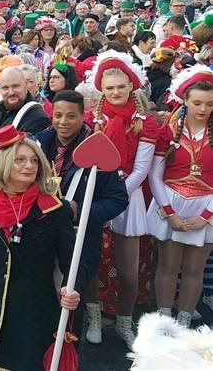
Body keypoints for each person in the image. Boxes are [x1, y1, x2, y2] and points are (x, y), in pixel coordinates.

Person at [0, 126, 80, 369]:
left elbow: (72, 262)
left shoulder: (53, 210)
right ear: (3, 163)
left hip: (31, 311)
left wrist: (71, 290)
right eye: (20, 160)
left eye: (33, 161)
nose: (29, 166)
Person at [37, 90, 129, 345]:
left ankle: (66, 350)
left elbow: (119, 199)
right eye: (57, 115)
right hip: (41, 234)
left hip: (78, 237)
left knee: (68, 297)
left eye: (70, 116)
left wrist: (82, 210)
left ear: (82, 116)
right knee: (40, 296)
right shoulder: (40, 143)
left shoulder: (97, 149)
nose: (63, 122)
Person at [87, 50, 156, 346]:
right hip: (96, 195)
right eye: (109, 87)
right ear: (102, 89)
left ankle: (125, 322)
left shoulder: (145, 122)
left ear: (131, 86)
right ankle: (94, 316)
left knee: (129, 273)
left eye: (120, 86)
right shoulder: (93, 119)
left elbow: (141, 169)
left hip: (128, 197)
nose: (115, 92)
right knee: (91, 262)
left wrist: (116, 198)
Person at [148, 66, 213, 327]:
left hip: (207, 207)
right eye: (197, 102)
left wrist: (206, 217)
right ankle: (164, 322)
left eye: (209, 104)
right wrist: (169, 213)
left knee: (194, 270)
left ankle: (184, 322)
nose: (203, 109)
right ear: (185, 100)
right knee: (168, 266)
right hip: (171, 202)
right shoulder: (168, 130)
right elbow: (155, 175)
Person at [0, 66, 50, 166]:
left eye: (15, 86)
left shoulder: (38, 117)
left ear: (25, 85)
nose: (11, 92)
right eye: (5, 88)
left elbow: (18, 159)